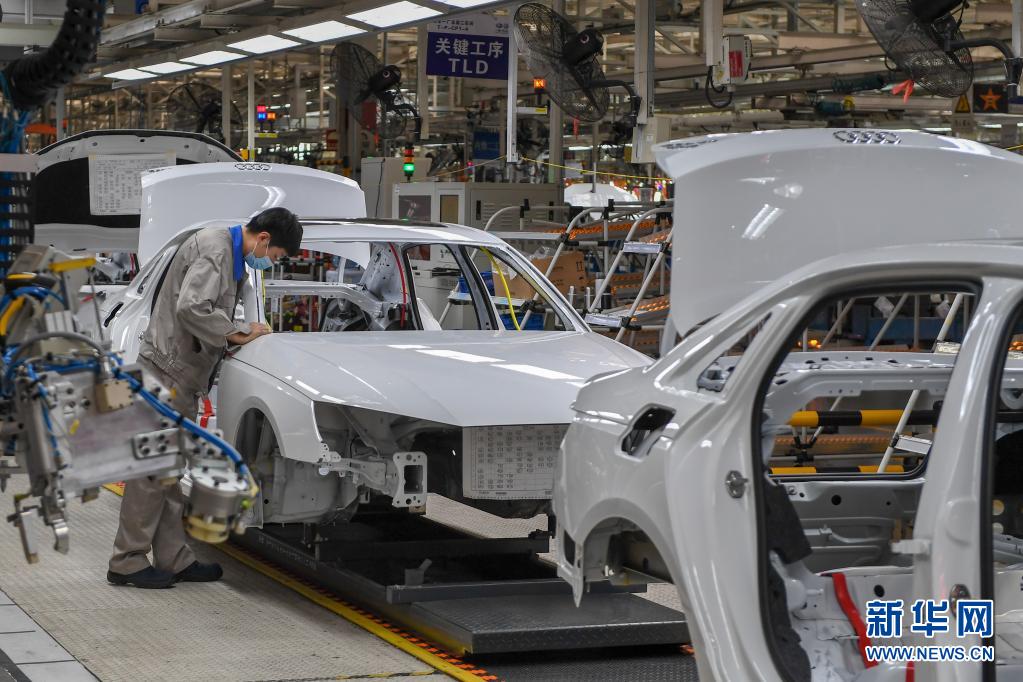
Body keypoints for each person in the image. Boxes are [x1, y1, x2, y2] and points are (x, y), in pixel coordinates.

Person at [108, 207, 303, 589]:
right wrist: (238, 332)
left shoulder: (229, 254)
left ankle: (173, 558)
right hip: (167, 373)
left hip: (179, 374)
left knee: (169, 472)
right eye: (276, 255)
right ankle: (126, 561)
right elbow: (192, 307)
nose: (270, 262)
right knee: (152, 471)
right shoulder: (216, 248)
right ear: (264, 238)